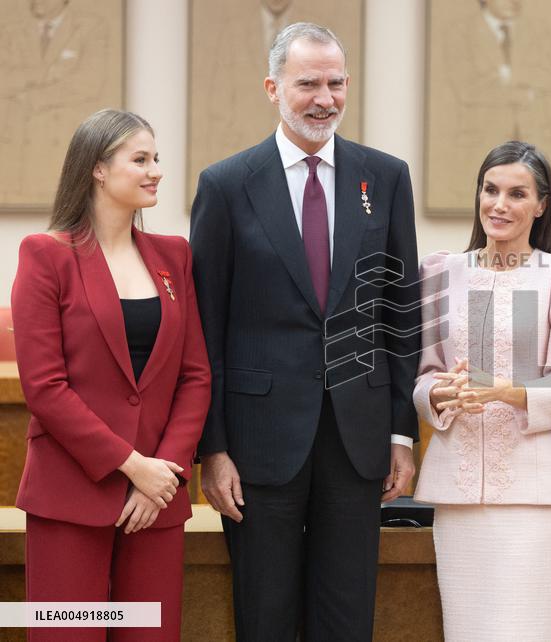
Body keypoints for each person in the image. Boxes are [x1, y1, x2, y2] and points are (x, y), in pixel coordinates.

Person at [189, 22, 420, 641]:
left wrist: (401, 431)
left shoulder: (386, 177)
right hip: (258, 444)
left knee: (347, 618)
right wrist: (213, 449)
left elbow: (400, 312)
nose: (325, 98)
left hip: (358, 438)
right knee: (264, 615)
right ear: (273, 88)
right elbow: (204, 325)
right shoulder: (227, 184)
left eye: (336, 82)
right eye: (308, 83)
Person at [11, 108, 211, 641]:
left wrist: (162, 473)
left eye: (156, 159)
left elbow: (194, 376)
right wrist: (131, 466)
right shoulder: (45, 255)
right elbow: (44, 389)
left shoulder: (175, 257)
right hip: (71, 496)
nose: (156, 171)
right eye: (140, 159)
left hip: (157, 503)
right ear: (98, 169)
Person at [413, 141, 551, 641]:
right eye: (490, 190)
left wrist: (503, 391)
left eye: (517, 194)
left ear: (541, 205)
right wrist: (438, 394)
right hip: (455, 489)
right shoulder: (440, 273)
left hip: (532, 493)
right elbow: (424, 374)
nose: (499, 204)